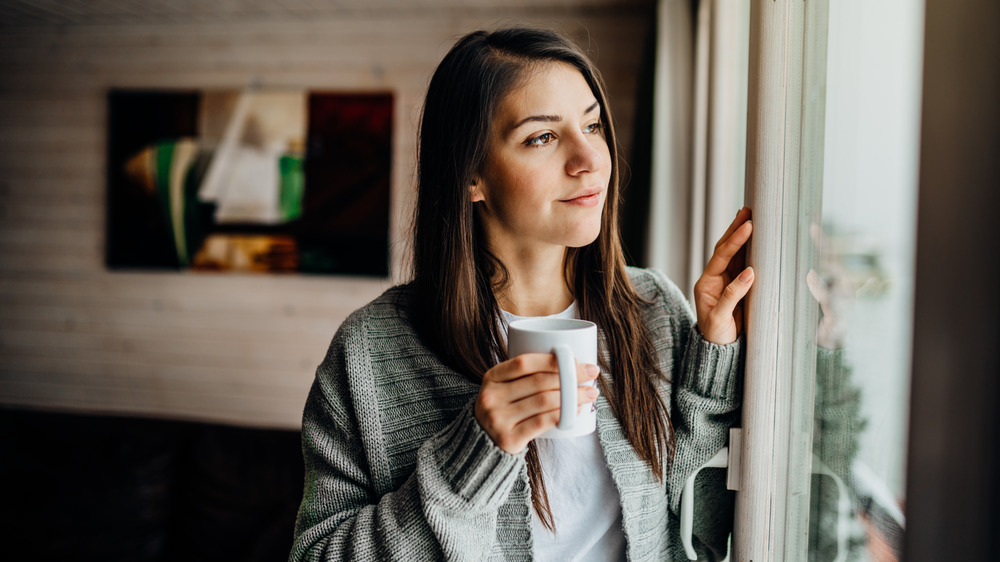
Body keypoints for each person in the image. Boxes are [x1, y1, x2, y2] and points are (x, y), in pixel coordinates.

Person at [288, 27, 754, 561]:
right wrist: (474, 454)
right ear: (471, 175)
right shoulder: (371, 352)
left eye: (593, 125)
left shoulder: (654, 311)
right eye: (542, 137)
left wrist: (713, 358)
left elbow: (705, 535)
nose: (590, 160)